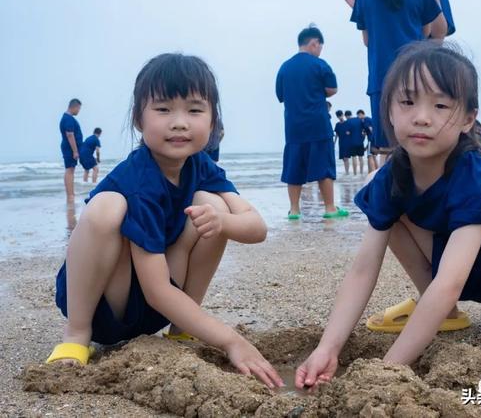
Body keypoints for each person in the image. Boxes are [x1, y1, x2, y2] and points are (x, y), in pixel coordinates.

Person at [296, 43, 481, 389]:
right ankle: (443, 316)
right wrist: (327, 348)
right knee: (381, 188)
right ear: (388, 111)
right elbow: (363, 270)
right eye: (407, 102)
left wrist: (386, 370)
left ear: (468, 119)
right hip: (444, 278)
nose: (422, 117)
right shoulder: (393, 174)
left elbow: (451, 283)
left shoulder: (474, 169)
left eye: (440, 105)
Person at [46, 53, 283, 389]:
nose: (179, 122)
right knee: (106, 207)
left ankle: (183, 327)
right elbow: (157, 291)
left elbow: (256, 227)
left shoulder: (200, 166)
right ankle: (76, 335)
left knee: (211, 205)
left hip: (161, 308)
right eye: (163, 109)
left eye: (194, 109)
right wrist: (231, 340)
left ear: (213, 121)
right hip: (107, 305)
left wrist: (222, 222)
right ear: (139, 120)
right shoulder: (140, 181)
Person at [346, 0, 449, 165]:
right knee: (418, 142)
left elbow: (367, 40)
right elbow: (428, 33)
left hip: (381, 78)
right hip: (415, 76)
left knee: (388, 149)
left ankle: (390, 191)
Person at [276, 26, 349, 220]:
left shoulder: (284, 67)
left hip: (293, 127)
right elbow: (332, 89)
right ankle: (330, 208)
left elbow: (280, 96)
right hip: (317, 123)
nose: (319, 51)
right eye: (319, 47)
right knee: (324, 167)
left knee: (294, 167)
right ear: (314, 43)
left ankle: (294, 210)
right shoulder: (319, 64)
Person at [59, 98, 83, 203]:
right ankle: (70, 195)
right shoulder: (68, 118)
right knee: (69, 170)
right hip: (69, 148)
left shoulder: (67, 117)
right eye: (79, 109)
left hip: (69, 148)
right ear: (75, 106)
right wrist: (75, 151)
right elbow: (70, 135)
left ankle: (70, 193)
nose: (79, 111)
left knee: (70, 170)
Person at [344, 110, 366, 175]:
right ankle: (361, 172)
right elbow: (364, 131)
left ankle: (355, 173)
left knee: (354, 157)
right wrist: (362, 139)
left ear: (346, 116)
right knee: (361, 157)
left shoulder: (348, 121)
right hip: (360, 142)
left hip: (352, 142)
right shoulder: (359, 120)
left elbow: (347, 133)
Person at [334, 110, 351, 174]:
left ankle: (347, 172)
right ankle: (347, 171)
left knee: (346, 157)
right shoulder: (337, 124)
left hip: (347, 142)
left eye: (340, 115)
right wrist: (334, 142)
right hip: (341, 142)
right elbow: (336, 134)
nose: (340, 117)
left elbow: (352, 131)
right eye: (338, 116)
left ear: (343, 115)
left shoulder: (347, 123)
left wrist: (349, 133)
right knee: (343, 158)